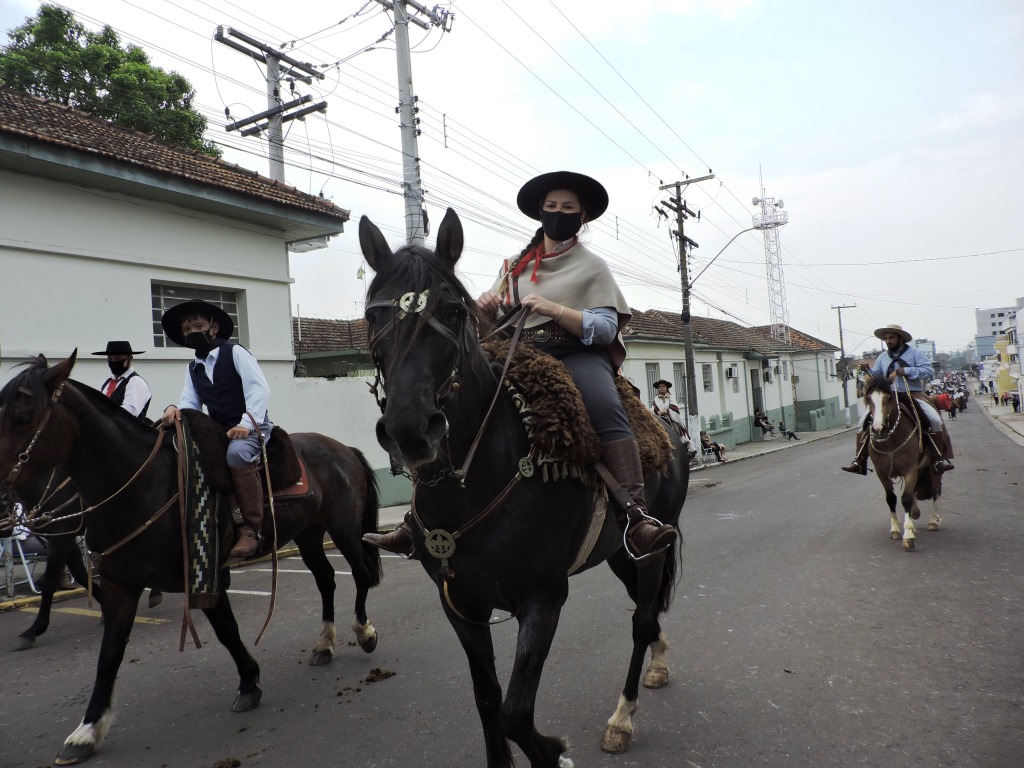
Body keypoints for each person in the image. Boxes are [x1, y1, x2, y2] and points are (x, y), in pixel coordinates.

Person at [364, 170, 676, 561]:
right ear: (540, 214)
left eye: (568, 208)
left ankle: (635, 515)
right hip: (514, 350)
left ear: (582, 216)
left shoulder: (593, 267)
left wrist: (554, 308)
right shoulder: (514, 266)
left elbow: (606, 328)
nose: (558, 214)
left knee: (604, 406)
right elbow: (493, 323)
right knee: (455, 404)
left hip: (576, 353)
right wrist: (486, 311)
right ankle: (418, 518)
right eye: (551, 208)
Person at [159, 300, 273, 559]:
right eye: (186, 329)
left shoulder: (235, 353)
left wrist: (246, 424)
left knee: (236, 455)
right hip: (220, 428)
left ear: (213, 327)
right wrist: (175, 410)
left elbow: (259, 389)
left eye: (197, 325)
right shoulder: (194, 367)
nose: (191, 332)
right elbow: (190, 402)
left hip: (254, 425)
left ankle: (251, 529)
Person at [841, 323, 954, 475]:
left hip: (913, 394)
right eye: (886, 338)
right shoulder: (882, 357)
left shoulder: (915, 353)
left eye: (891, 338)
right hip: (889, 396)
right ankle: (859, 461)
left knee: (934, 420)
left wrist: (906, 371)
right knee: (863, 423)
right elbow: (878, 377)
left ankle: (938, 459)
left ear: (900, 338)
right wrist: (867, 370)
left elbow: (928, 371)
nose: (888, 341)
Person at [92, 341, 152, 419]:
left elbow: (128, 414)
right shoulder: (105, 383)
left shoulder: (136, 382)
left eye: (118, 358)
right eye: (110, 358)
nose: (113, 362)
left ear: (130, 359)